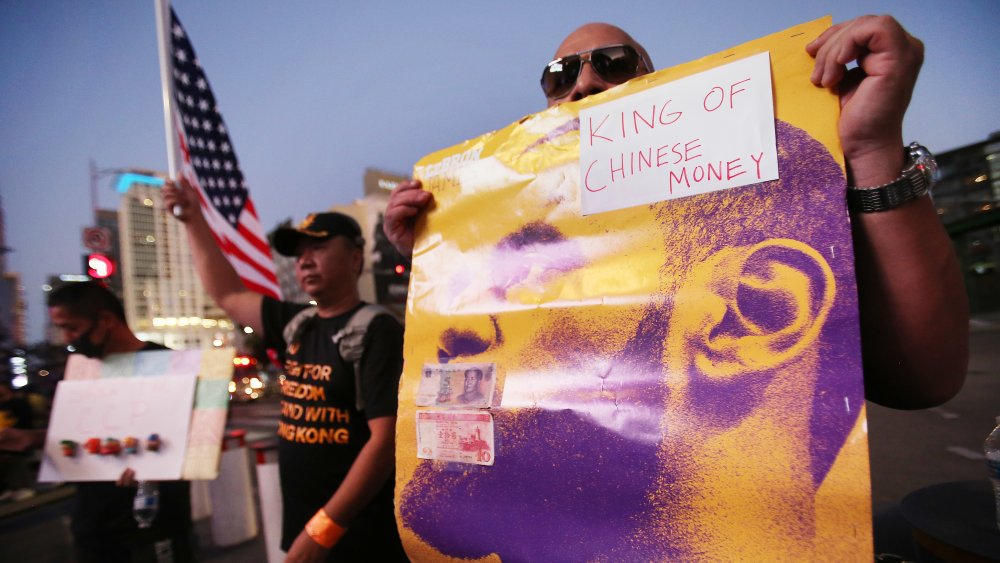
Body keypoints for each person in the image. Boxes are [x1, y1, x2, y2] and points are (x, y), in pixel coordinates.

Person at [384, 17, 968, 411]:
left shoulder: (744, 203)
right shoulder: (524, 225)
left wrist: (872, 150)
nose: (585, 84)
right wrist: (436, 259)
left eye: (612, 63)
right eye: (560, 75)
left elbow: (922, 379)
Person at [163, 181, 406, 562]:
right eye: (299, 253)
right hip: (306, 530)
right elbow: (227, 294)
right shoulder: (299, 322)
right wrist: (193, 220)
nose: (305, 261)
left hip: (357, 534)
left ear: (356, 258)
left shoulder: (377, 329)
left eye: (320, 248)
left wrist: (324, 528)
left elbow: (385, 440)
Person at [0, 281, 194, 562]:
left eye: (72, 328)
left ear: (105, 321)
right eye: (61, 329)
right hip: (93, 527)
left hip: (153, 525)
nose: (67, 338)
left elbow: (199, 440)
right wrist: (32, 438)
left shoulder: (169, 364)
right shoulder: (82, 370)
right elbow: (83, 434)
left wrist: (153, 465)